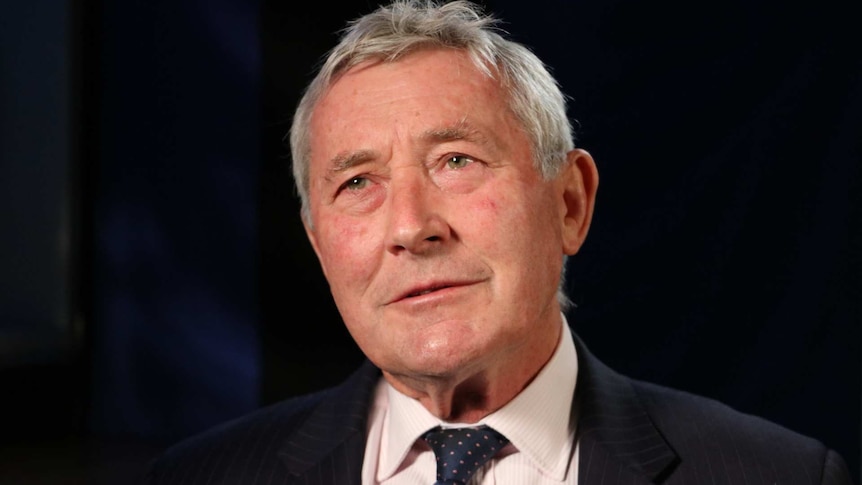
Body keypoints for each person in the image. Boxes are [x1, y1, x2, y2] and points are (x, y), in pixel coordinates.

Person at [143, 1, 854, 483]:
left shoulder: (776, 474)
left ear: (570, 202)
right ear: (320, 246)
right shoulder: (200, 476)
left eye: (456, 160)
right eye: (358, 182)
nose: (411, 227)